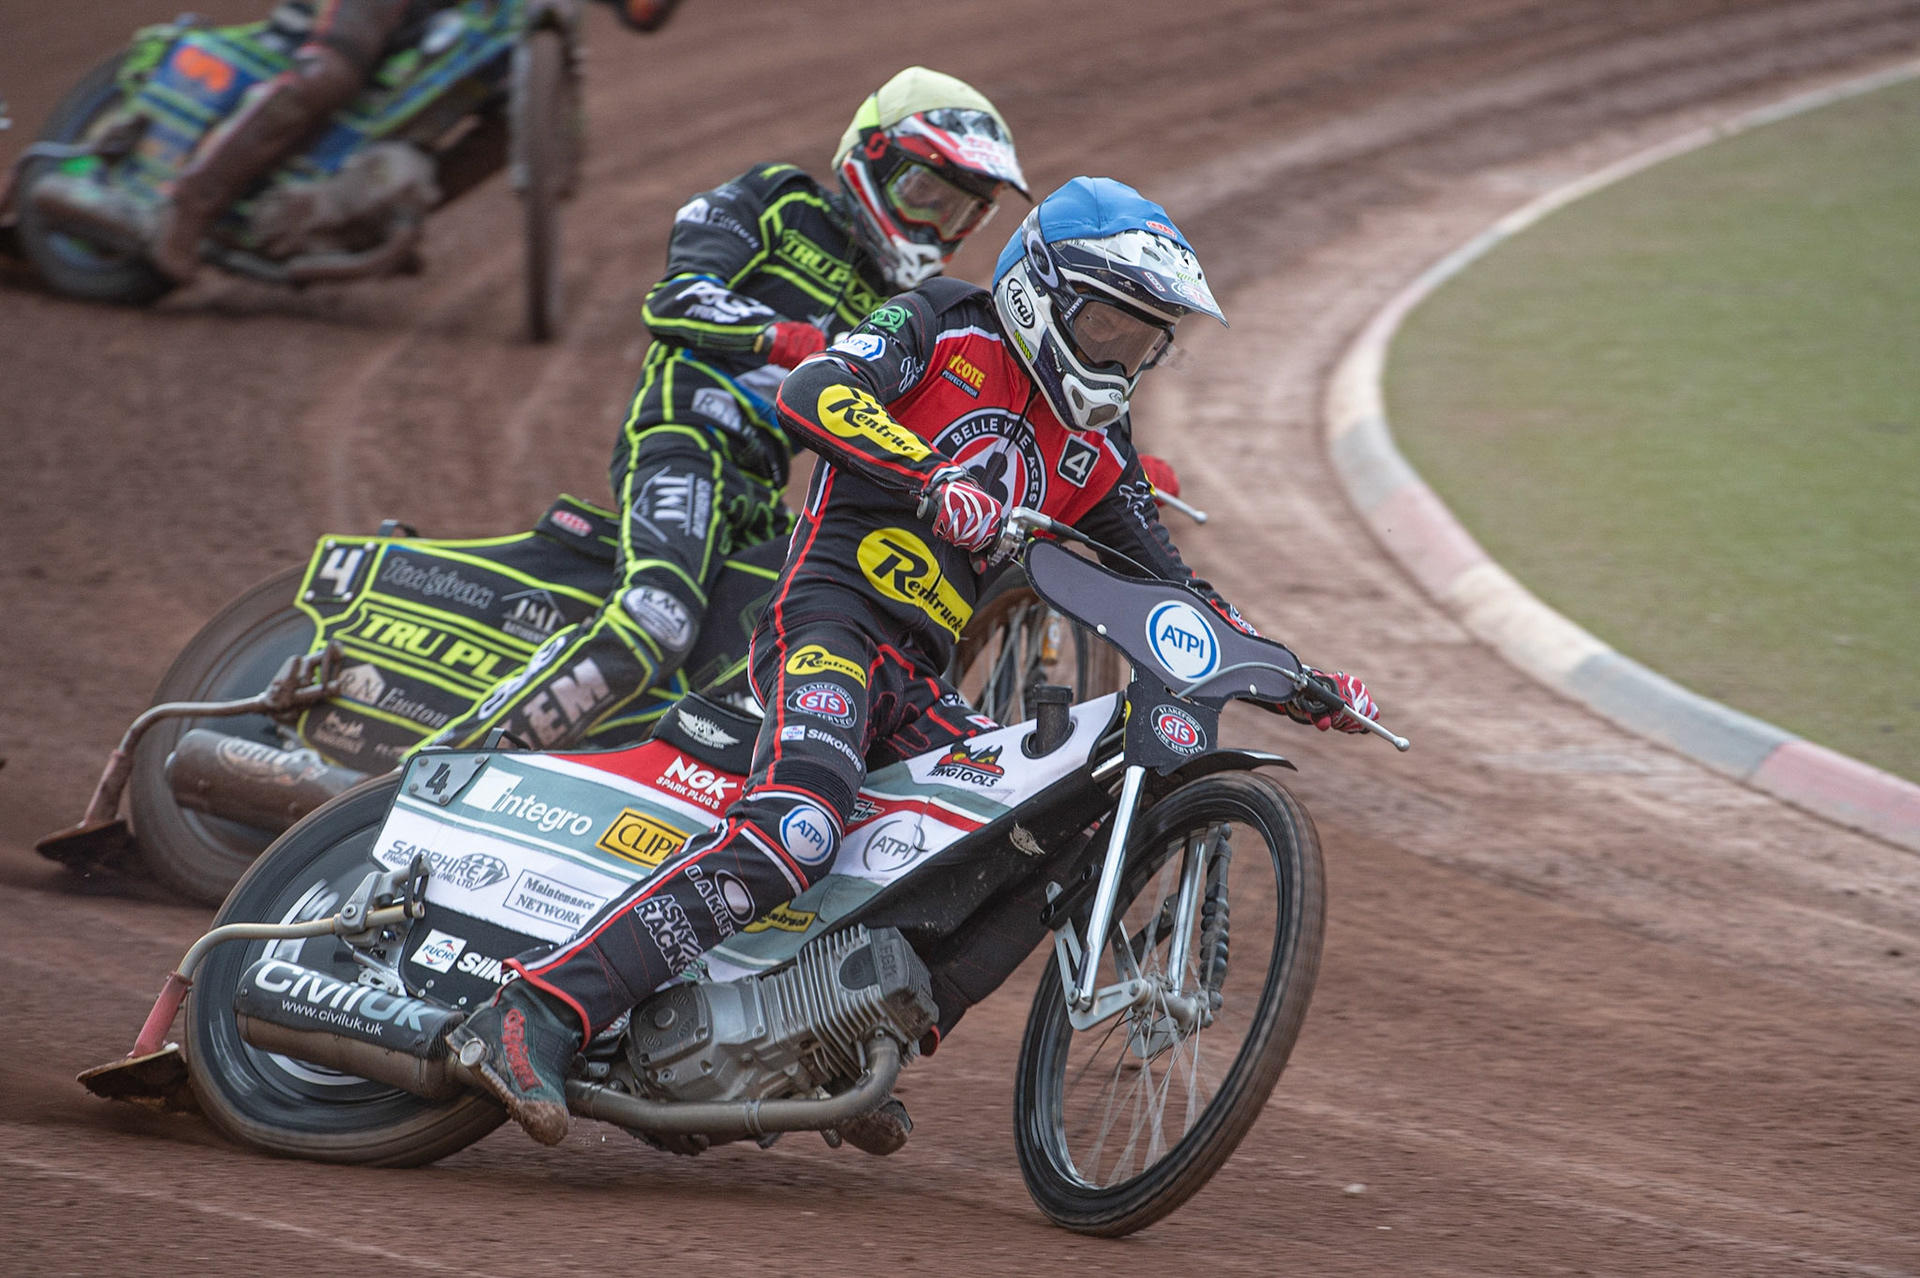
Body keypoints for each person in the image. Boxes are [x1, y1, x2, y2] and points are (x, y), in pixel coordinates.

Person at [456, 175, 1379, 1146]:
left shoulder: (1098, 444)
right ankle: (535, 1011)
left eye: (1144, 340)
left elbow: (1175, 590)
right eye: (1108, 326)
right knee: (801, 827)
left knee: (1047, 820)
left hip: (918, 681)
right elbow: (820, 391)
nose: (1121, 357)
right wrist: (926, 474)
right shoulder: (946, 318)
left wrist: (1295, 678)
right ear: (1043, 291)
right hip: (830, 622)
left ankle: (856, 1034)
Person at [416, 66, 1027, 752]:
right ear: (872, 161)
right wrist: (776, 335)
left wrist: (1071, 456)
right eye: (925, 196)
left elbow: (958, 408)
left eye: (961, 213)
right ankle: (437, 766)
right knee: (658, 619)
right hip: (684, 439)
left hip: (758, 489)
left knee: (766, 655)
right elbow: (673, 298)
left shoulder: (903, 309)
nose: (937, 226)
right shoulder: (777, 201)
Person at [29, 0, 682, 284]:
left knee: (507, 115)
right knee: (333, 68)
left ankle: (382, 215)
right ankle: (185, 205)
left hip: (471, 25)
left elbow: (643, 14)